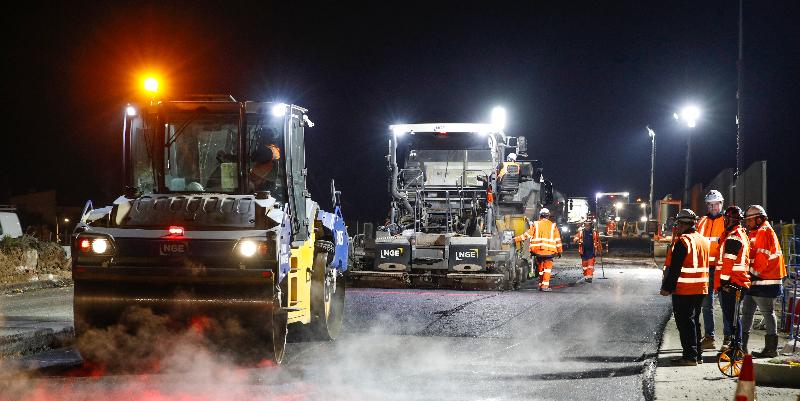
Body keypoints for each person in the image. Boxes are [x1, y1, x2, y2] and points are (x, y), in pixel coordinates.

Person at [660, 209, 710, 366]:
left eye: (678, 224)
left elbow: (675, 269)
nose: (677, 227)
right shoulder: (702, 240)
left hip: (685, 289)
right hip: (701, 288)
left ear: (682, 224)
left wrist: (667, 288)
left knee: (685, 323)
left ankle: (689, 357)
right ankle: (697, 355)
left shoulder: (683, 242)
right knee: (694, 321)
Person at [741, 205, 787, 358]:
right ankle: (742, 347)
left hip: (766, 282)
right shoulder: (756, 232)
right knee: (747, 313)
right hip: (757, 281)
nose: (747, 223)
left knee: (767, 313)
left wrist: (749, 275)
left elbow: (761, 260)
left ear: (759, 219)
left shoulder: (764, 232)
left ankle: (771, 349)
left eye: (749, 220)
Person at [715, 206, 750, 353]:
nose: (724, 221)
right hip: (736, 281)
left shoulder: (733, 237)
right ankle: (736, 346)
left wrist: (724, 283)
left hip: (732, 283)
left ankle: (737, 347)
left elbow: (728, 262)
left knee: (733, 318)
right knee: (733, 317)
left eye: (726, 219)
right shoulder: (739, 234)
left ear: (729, 220)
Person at [697, 190, 727, 350]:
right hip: (706, 268)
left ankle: (728, 339)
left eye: (716, 204)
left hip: (722, 269)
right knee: (706, 305)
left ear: (721, 204)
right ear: (707, 206)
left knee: (725, 305)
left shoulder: (727, 221)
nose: (714, 207)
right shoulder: (701, 222)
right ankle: (710, 338)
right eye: (711, 204)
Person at [515, 208, 563, 292]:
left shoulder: (536, 224)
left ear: (540, 215)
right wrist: (560, 251)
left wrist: (515, 239)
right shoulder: (553, 226)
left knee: (540, 268)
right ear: (548, 216)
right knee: (547, 269)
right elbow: (557, 240)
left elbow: (526, 235)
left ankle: (541, 284)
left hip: (538, 252)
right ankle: (545, 286)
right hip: (549, 252)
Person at [573, 216, 602, 283]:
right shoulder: (581, 232)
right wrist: (577, 241)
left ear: (590, 225)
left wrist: (600, 249)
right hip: (583, 251)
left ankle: (589, 277)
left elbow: (598, 241)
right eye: (586, 225)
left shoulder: (594, 232)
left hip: (591, 251)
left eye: (588, 225)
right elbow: (575, 238)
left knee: (590, 265)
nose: (587, 226)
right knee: (584, 265)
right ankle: (586, 276)